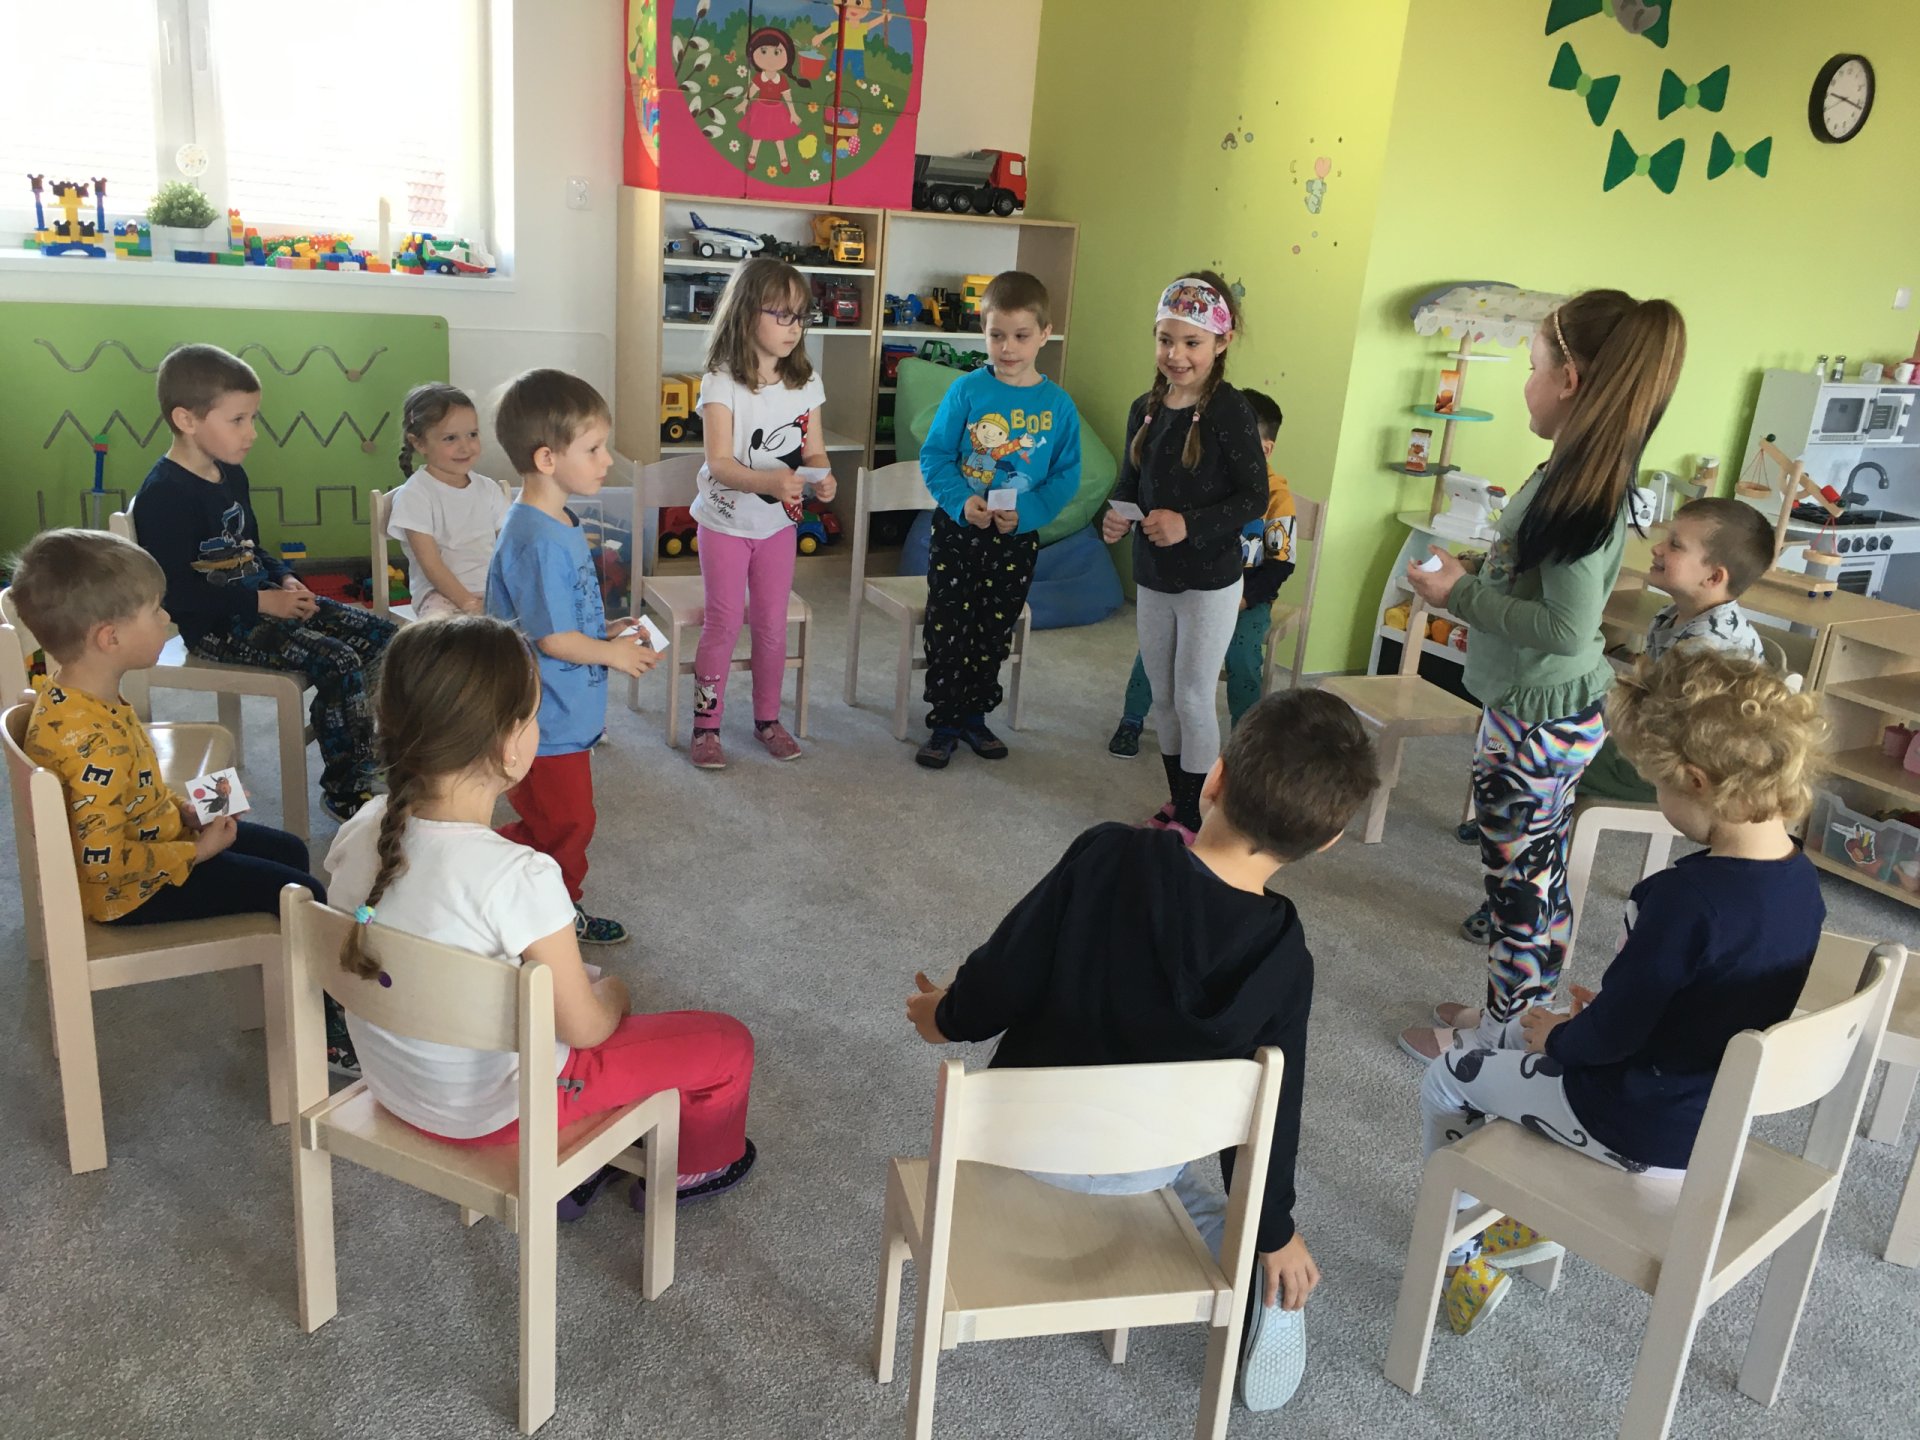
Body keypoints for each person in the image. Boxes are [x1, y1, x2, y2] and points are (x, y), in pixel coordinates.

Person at [906, 689, 1378, 1374]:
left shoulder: (1108, 856)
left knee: (1111, 1150)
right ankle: (1259, 1266)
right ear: (1326, 841)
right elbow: (1275, 1109)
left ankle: (1226, 1240)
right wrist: (1274, 1227)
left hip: (1019, 1145)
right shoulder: (1286, 960)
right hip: (1148, 1161)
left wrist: (942, 1017)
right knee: (1183, 1186)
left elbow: (1002, 979)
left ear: (1214, 778)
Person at [1417, 644, 1826, 1333]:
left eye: (1657, 784)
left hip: (1630, 1120)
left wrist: (1565, 1036)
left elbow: (1607, 1040)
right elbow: (1707, 1005)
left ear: (1695, 780)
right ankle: (1519, 1213)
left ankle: (1460, 1252)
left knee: (1449, 1076)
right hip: (1705, 1121)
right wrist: (1594, 1020)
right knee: (1522, 1034)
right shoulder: (1802, 886)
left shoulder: (1682, 900)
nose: (1658, 798)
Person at [327, 615, 755, 1217]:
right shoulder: (520, 876)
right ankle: (695, 1166)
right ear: (509, 745)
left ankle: (583, 1161)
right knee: (723, 1043)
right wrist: (617, 994)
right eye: (533, 715)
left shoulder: (362, 827)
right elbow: (586, 1031)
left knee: (562, 989)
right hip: (500, 1111)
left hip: (397, 1087)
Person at [1399, 290, 1687, 1061]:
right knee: (1537, 875)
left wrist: (1457, 596)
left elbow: (1564, 626)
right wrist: (1475, 579)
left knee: (1518, 887)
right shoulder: (1574, 474)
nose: (1525, 385)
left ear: (1570, 380)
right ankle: (1526, 1013)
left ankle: (1500, 1043)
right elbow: (1540, 588)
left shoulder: (1581, 493)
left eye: (1532, 368)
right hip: (1540, 710)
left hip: (1536, 721)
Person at [10, 528, 358, 1074]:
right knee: (302, 891)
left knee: (290, 851)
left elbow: (131, 791)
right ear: (109, 637)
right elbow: (104, 865)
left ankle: (297, 989)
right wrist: (196, 852)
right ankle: (332, 1032)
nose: (168, 618)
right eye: (154, 610)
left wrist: (183, 810)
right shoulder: (88, 740)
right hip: (132, 892)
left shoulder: (80, 697)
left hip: (153, 845)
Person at [132, 343, 398, 822]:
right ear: (186, 419)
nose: (251, 433)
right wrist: (262, 602)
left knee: (384, 635)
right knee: (337, 659)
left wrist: (286, 578)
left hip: (264, 601)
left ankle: (354, 739)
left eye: (252, 418)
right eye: (238, 420)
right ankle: (345, 788)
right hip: (216, 627)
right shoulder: (164, 494)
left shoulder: (230, 473)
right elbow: (176, 593)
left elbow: (252, 548)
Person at [485, 369, 658, 945]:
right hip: (543, 720)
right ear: (547, 459)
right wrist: (611, 654)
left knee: (554, 822)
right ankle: (553, 914)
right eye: (594, 448)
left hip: (563, 711)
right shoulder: (536, 539)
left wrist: (604, 630)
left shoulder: (557, 521)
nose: (607, 460)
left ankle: (490, 876)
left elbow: (554, 620)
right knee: (567, 824)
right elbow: (553, 640)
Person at [1101, 272, 1269, 841]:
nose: (1176, 354)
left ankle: (1198, 817)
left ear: (1221, 342)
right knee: (1165, 697)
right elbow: (1130, 481)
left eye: (1191, 342)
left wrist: (1188, 524)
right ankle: (1179, 802)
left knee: (1195, 697)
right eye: (1165, 339)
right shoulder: (1144, 408)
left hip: (1209, 581)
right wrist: (1116, 516)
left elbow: (1253, 497)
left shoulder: (1230, 410)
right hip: (1154, 576)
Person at [914, 270, 1083, 769]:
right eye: (996, 335)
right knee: (948, 625)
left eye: (1021, 336)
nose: (1008, 348)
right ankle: (944, 721)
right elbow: (935, 456)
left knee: (992, 630)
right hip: (958, 531)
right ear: (983, 332)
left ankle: (975, 717)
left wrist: (1025, 515)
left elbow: (1066, 477)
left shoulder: (1058, 406)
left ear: (1045, 334)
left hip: (1014, 540)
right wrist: (959, 502)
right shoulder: (966, 390)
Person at [687, 257, 832, 771]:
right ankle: (706, 726)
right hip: (724, 525)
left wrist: (824, 476)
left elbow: (814, 451)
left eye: (800, 317)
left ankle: (767, 719)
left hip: (778, 528)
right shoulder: (721, 382)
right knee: (723, 624)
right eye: (782, 315)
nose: (794, 328)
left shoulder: (805, 382)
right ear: (748, 314)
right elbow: (720, 464)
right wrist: (773, 481)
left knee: (772, 626)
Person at [1109, 387, 1295, 757]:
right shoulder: (1199, 486)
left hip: (1247, 599)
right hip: (1192, 588)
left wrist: (1246, 598)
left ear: (1263, 449)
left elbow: (1281, 564)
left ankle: (1245, 740)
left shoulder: (1275, 497)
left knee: (1243, 657)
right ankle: (1132, 718)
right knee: (1156, 652)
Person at [1577, 496, 1773, 805]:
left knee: (1553, 754)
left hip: (1686, 774)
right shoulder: (1671, 615)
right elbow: (1647, 689)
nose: (1657, 548)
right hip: (1656, 741)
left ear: (1713, 577)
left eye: (1675, 545)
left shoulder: (1706, 648)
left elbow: (1674, 735)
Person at [386, 383, 509, 620]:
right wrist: (468, 603)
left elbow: (508, 547)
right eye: (450, 438)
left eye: (472, 434)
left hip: (491, 589)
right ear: (419, 443)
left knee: (533, 624)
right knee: (441, 629)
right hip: (439, 594)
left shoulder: (488, 489)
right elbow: (431, 564)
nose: (465, 446)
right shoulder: (416, 494)